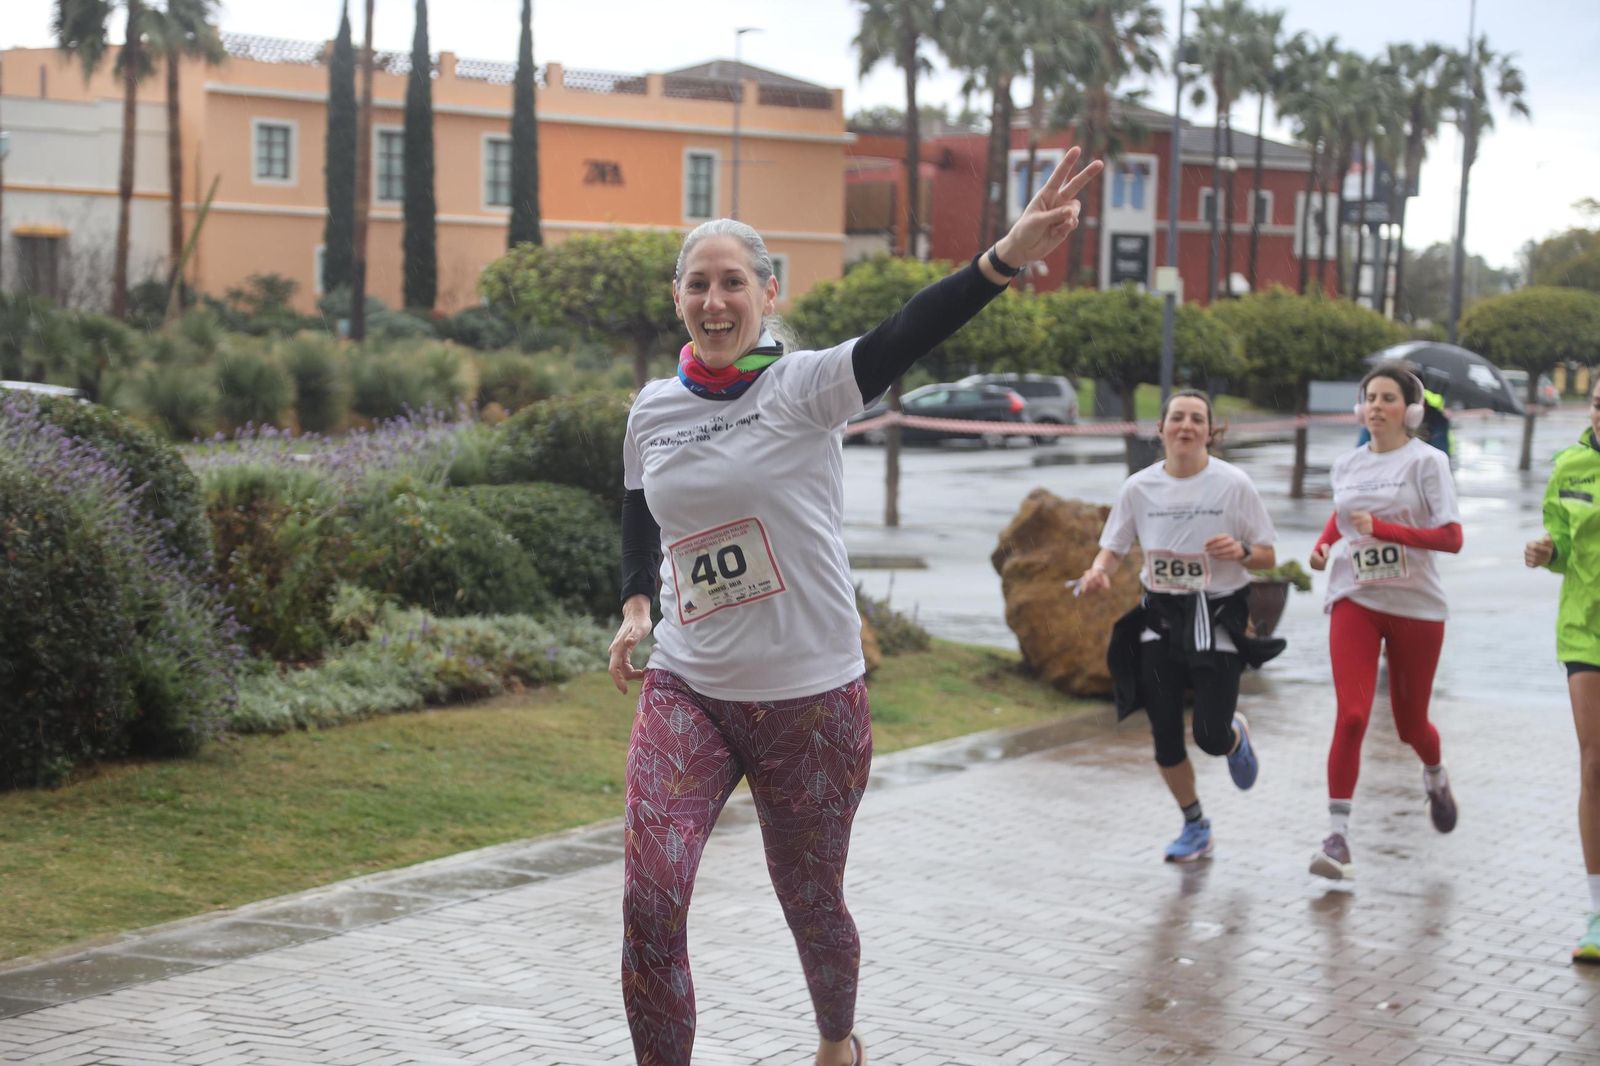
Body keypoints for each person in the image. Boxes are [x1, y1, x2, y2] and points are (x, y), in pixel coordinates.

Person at [607, 149, 1104, 1066]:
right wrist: (638, 604)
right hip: (690, 688)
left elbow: (905, 332)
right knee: (651, 899)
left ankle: (838, 1037)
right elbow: (641, 510)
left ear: (766, 292)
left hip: (812, 697)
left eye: (733, 284)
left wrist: (1003, 258)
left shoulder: (805, 388)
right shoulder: (652, 411)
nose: (715, 302)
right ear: (676, 298)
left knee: (811, 903)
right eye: (697, 286)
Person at [1076, 390, 1284, 863]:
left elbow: (1269, 553)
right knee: (1165, 737)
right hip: (1160, 619)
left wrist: (1243, 553)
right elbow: (1114, 545)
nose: (1186, 426)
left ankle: (1233, 736)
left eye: (1196, 419)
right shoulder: (1139, 487)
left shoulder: (1233, 484)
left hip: (1218, 617)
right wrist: (1099, 570)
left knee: (1208, 737)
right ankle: (1195, 824)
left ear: (1211, 430)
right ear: (1162, 427)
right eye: (1177, 418)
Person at [1307, 363, 1463, 880]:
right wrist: (1326, 543)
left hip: (1416, 604)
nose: (1376, 406)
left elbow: (1451, 538)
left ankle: (1436, 777)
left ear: (1411, 410)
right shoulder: (1347, 464)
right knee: (1351, 715)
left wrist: (1387, 530)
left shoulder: (1428, 463)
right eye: (1369, 397)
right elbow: (1343, 511)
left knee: (1409, 725)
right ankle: (1337, 837)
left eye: (1388, 398)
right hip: (1355, 595)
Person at [1523, 376, 1600, 963]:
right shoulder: (1571, 467)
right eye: (1599, 405)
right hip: (1584, 629)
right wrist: (1546, 553)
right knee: (1593, 763)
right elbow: (1563, 548)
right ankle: (1598, 910)